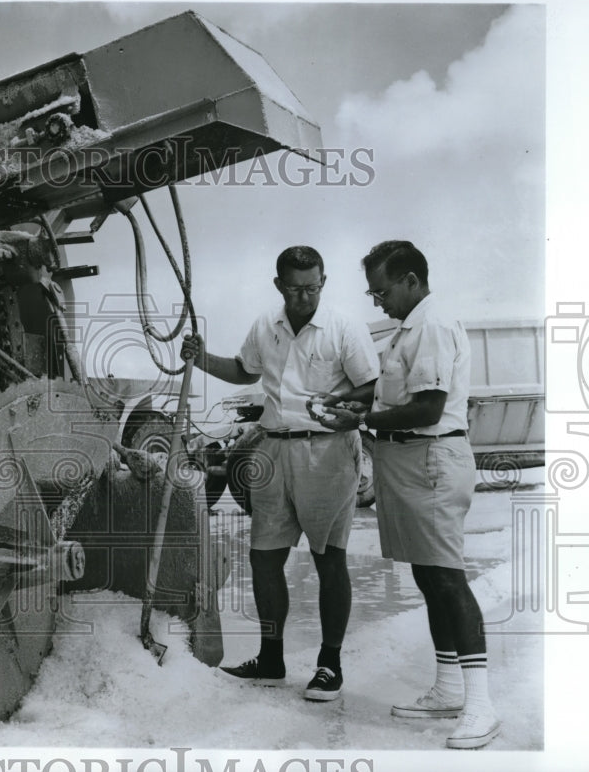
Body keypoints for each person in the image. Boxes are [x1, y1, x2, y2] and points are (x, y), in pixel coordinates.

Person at [311, 240, 500, 749]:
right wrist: (345, 400)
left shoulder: (432, 326)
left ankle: (480, 704)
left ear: (412, 280)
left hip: (431, 461)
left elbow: (428, 408)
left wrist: (362, 418)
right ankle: (448, 687)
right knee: (429, 577)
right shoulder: (407, 331)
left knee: (446, 578)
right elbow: (387, 392)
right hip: (409, 464)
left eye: (382, 291)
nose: (379, 301)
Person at [182, 245, 379, 700]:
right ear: (279, 285)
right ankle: (271, 659)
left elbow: (371, 384)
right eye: (294, 288)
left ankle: (330, 666)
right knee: (264, 558)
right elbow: (242, 370)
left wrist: (346, 410)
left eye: (312, 288)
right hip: (273, 451)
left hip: (326, 453)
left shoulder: (344, 327)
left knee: (330, 559)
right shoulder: (264, 326)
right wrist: (202, 357)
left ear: (323, 283)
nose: (304, 297)